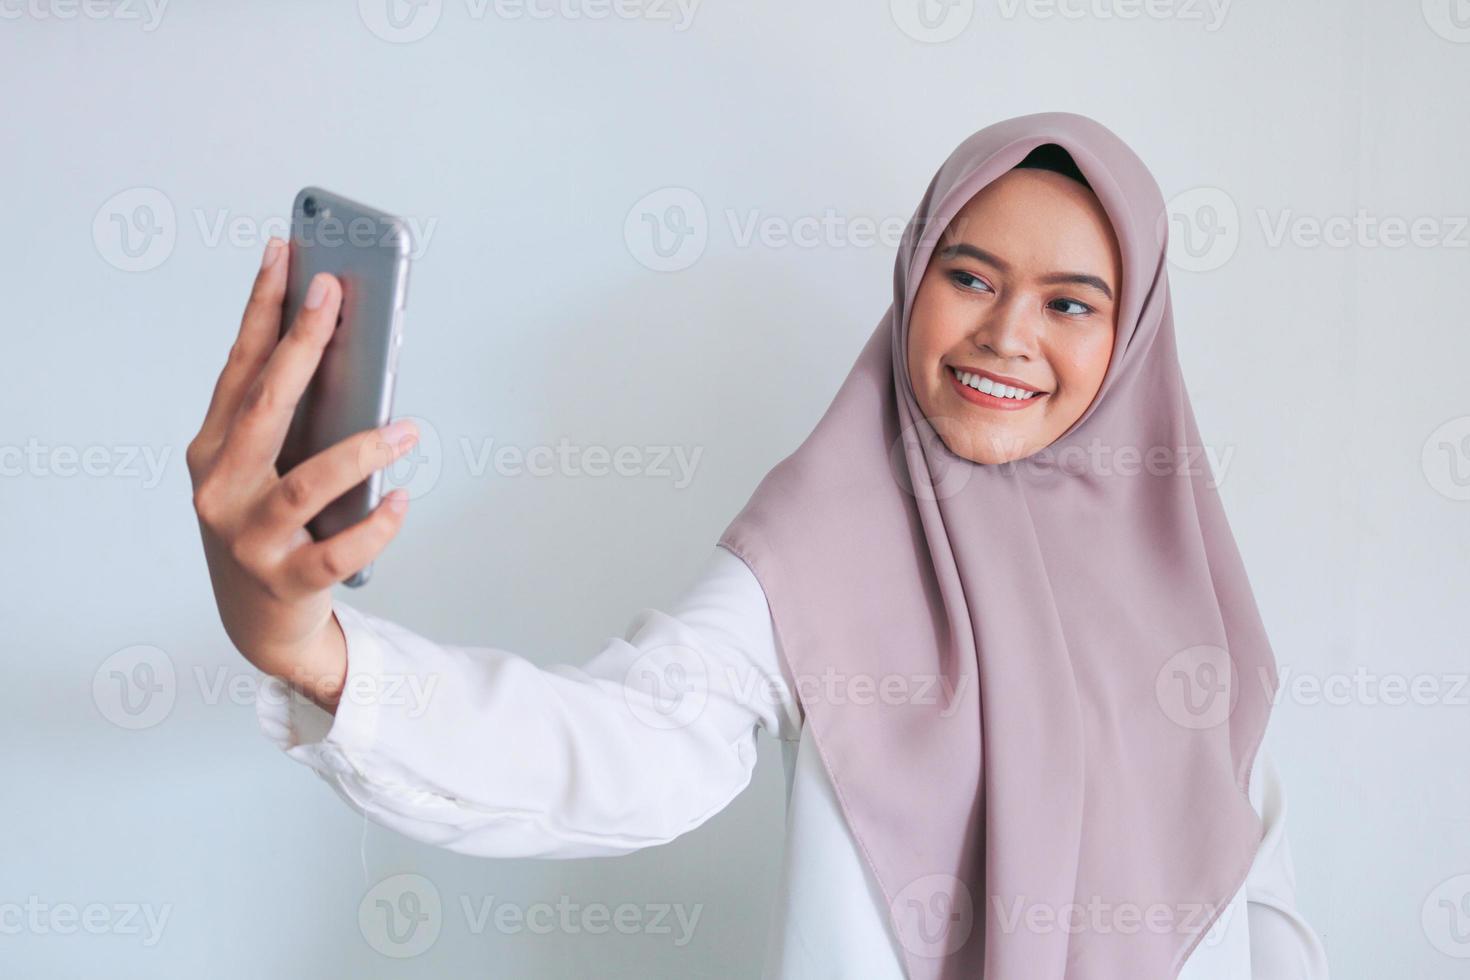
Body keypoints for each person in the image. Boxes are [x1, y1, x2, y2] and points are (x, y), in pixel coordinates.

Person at [187, 112, 1331, 978]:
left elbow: (1248, 878)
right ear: (913, 276)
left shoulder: (1179, 571)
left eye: (1071, 304)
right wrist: (310, 646)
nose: (1005, 334)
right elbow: (619, 749)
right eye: (969, 275)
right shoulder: (831, 538)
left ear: (1132, 336)